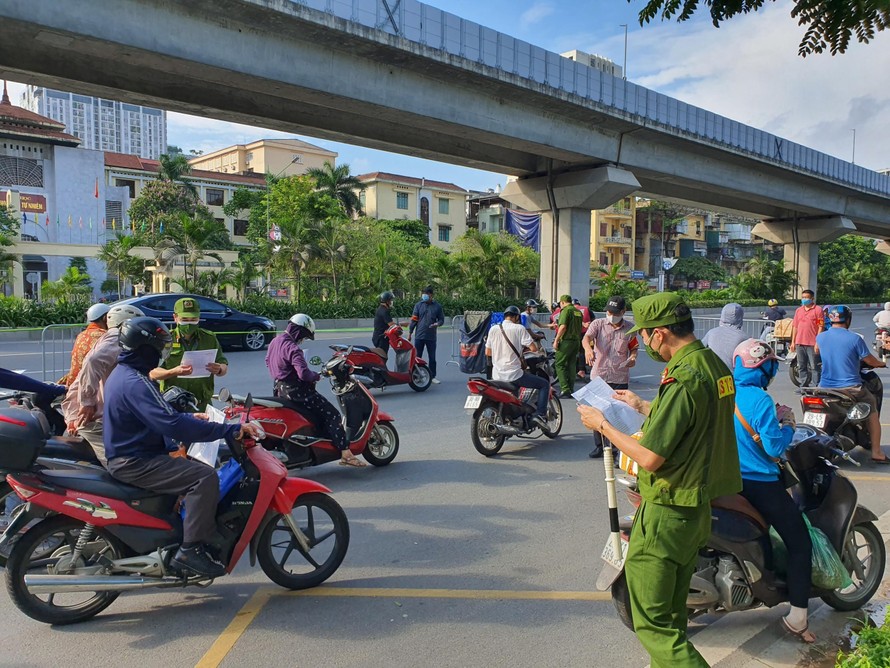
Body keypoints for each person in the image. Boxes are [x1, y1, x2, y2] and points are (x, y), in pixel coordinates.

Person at [577, 292, 742, 667]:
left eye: (647, 334)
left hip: (668, 511)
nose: (645, 341)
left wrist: (601, 423)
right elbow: (695, 420)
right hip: (694, 510)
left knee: (652, 624)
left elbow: (650, 457)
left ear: (661, 333)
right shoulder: (711, 365)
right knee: (672, 617)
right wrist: (642, 406)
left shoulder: (683, 376)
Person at [104, 317, 261, 578]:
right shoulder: (136, 382)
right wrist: (227, 430)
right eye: (159, 347)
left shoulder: (127, 375)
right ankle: (190, 550)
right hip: (136, 460)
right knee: (204, 477)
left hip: (136, 453)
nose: (162, 353)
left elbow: (162, 417)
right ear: (145, 349)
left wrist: (191, 419)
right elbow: (171, 425)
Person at [731, 338, 815, 643]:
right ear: (761, 367)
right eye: (770, 366)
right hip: (761, 485)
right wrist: (789, 424)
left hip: (730, 482)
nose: (771, 372)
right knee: (800, 543)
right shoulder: (760, 400)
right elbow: (775, 447)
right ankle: (798, 617)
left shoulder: (724, 393)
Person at [266, 313, 366, 467]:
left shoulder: (275, 342)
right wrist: (316, 376)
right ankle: (346, 453)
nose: (302, 340)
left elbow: (268, 362)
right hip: (297, 392)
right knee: (332, 414)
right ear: (298, 331)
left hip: (280, 389)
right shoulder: (292, 348)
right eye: (304, 336)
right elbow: (304, 374)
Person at [61, 304, 145, 464]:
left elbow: (82, 377)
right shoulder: (117, 337)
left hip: (86, 411)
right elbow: (93, 362)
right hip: (98, 419)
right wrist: (87, 403)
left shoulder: (90, 336)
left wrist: (74, 411)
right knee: (124, 467)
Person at [815, 305, 888, 463]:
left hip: (824, 387)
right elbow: (869, 360)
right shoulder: (854, 338)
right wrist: (880, 364)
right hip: (851, 388)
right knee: (872, 410)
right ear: (848, 320)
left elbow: (822, 352)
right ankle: (876, 451)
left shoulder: (820, 337)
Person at [581, 296, 638, 458]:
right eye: (608, 311)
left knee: (618, 414)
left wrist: (633, 358)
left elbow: (633, 348)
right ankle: (599, 446)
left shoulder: (630, 328)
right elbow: (587, 338)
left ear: (623, 312)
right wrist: (588, 349)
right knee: (597, 412)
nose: (610, 314)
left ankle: (616, 450)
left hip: (619, 377)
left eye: (614, 312)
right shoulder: (598, 324)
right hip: (599, 375)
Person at [155, 297, 228, 411]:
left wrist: (219, 369)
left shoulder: (209, 338)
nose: (189, 323)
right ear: (175, 317)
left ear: (199, 318)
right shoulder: (166, 340)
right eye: (184, 319)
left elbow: (223, 364)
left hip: (202, 404)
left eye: (193, 319)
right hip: (174, 404)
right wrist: (173, 371)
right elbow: (152, 373)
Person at [485, 305, 549, 430]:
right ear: (516, 317)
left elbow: (488, 352)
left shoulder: (494, 329)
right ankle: (540, 415)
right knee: (544, 384)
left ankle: (512, 418)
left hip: (497, 375)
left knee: (512, 395)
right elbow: (533, 348)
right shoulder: (519, 328)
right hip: (514, 374)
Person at [59, 303, 110, 385]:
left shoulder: (82, 334)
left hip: (73, 381)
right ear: (105, 318)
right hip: (90, 384)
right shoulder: (105, 336)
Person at [408, 285, 445, 384]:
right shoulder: (418, 305)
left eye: (426, 294)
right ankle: (416, 376)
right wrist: (410, 333)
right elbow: (414, 320)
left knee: (432, 358)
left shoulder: (437, 306)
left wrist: (437, 324)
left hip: (431, 336)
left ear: (431, 295)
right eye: (423, 294)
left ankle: (432, 376)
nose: (424, 296)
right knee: (417, 357)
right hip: (419, 336)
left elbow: (441, 319)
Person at [790, 289, 824, 388]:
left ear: (812, 299)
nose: (804, 299)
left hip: (812, 343)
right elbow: (795, 326)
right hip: (800, 343)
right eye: (803, 297)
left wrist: (817, 342)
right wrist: (793, 342)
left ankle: (816, 387)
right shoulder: (799, 310)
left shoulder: (818, 310)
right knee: (801, 366)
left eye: (806, 297)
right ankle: (803, 386)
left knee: (814, 366)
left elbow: (820, 326)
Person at [552, 294, 583, 397]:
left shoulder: (566, 310)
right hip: (576, 341)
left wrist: (556, 340)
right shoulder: (578, 311)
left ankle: (565, 388)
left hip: (566, 341)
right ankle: (571, 388)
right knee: (572, 364)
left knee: (559, 364)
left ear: (562, 302)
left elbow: (563, 326)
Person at [701, 303, 749, 369]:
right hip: (731, 376)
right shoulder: (744, 337)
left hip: (712, 373)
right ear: (740, 317)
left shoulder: (711, 332)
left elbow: (701, 349)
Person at [573, 298, 593, 380]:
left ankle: (578, 370)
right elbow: (593, 319)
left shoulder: (571, 310)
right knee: (582, 351)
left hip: (574, 334)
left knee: (574, 352)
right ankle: (581, 370)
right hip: (586, 333)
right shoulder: (586, 309)